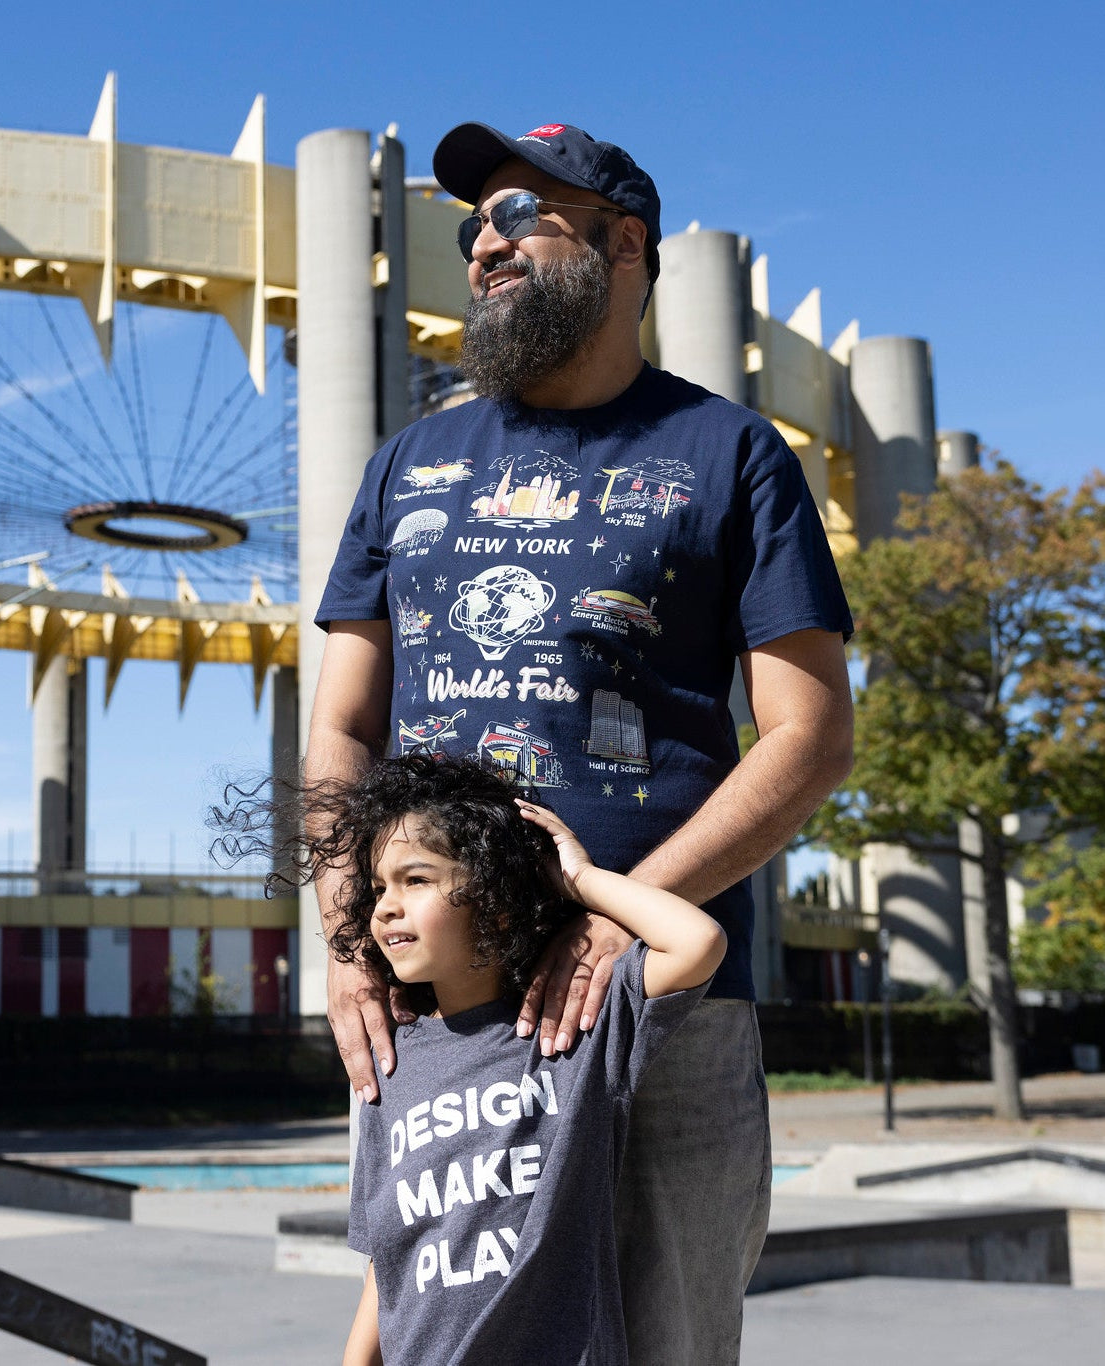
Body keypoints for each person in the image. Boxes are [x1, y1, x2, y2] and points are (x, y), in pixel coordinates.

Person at [308, 120, 854, 1363]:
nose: (482, 247)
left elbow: (810, 736)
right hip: (440, 1017)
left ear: (622, 245)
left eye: (516, 216)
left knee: (665, 1345)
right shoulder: (406, 464)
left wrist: (622, 915)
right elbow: (343, 723)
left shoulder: (733, 454)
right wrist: (349, 944)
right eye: (469, 229)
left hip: (665, 1013)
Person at [285, 755, 722, 1366]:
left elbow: (698, 941)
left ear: (495, 904)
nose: (385, 906)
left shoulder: (574, 1027)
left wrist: (577, 881)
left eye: (415, 880)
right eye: (379, 886)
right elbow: (389, 1254)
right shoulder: (391, 1059)